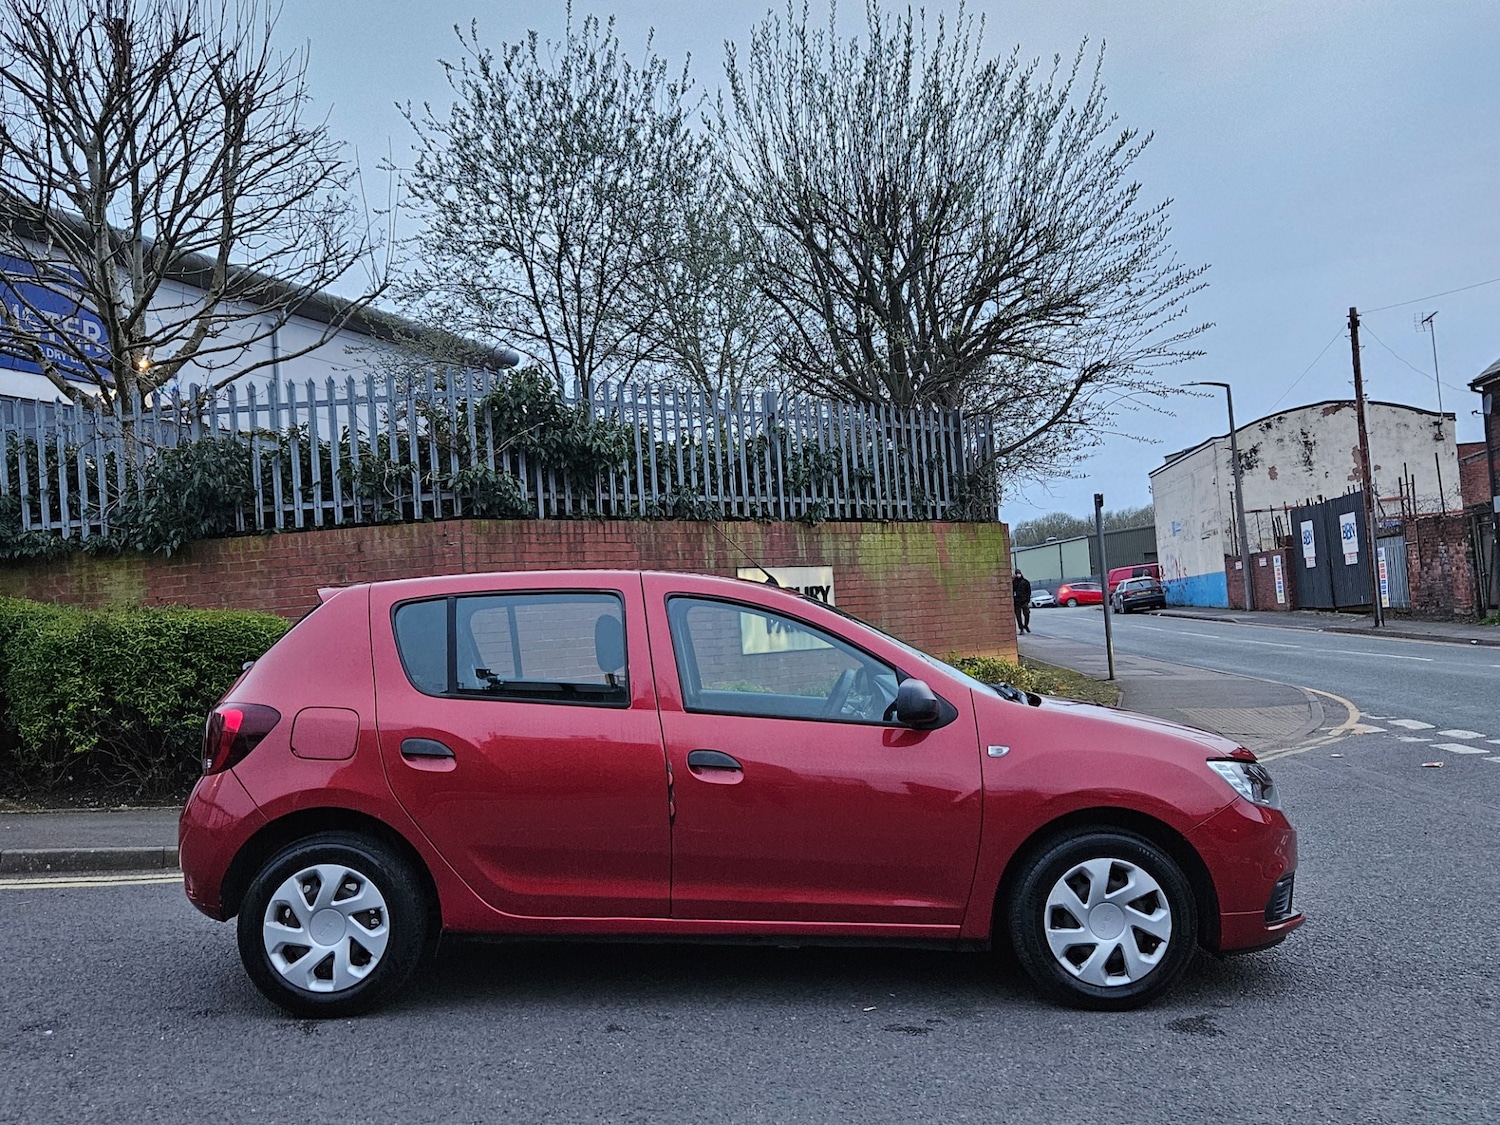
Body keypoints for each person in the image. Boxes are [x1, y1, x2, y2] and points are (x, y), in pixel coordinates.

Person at [1013, 570, 1032, 634]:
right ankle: (1021, 628)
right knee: (1018, 617)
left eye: (1019, 574)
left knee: (1027, 614)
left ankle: (1026, 625)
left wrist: (1027, 600)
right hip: (1017, 602)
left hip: (1024, 601)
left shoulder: (1025, 582)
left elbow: (1029, 592)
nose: (1018, 575)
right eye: (1017, 574)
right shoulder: (1014, 582)